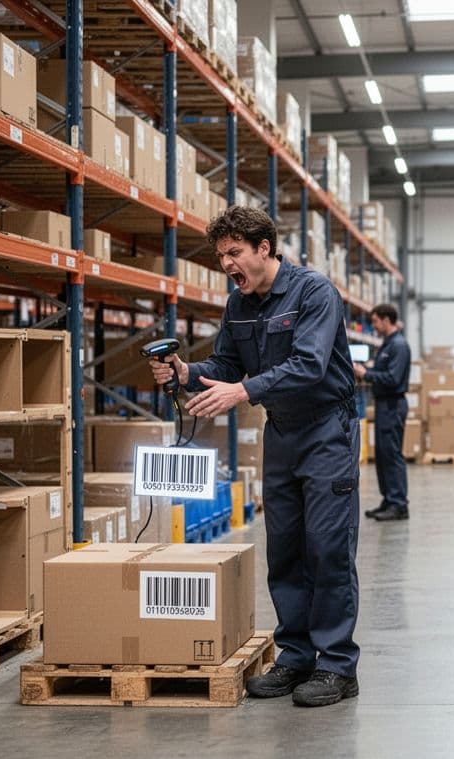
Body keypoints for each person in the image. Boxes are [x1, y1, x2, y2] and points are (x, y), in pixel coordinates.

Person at [148, 206, 361, 706]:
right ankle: (296, 656)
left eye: (235, 252)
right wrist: (185, 372)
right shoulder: (237, 304)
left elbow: (309, 365)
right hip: (281, 431)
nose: (227, 264)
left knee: (326, 547)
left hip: (327, 430)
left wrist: (242, 391)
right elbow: (226, 364)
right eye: (221, 255)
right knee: (284, 548)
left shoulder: (314, 293)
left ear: (264, 248)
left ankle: (337, 666)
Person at [354, 304, 411, 522]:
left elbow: (393, 378)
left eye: (376, 321)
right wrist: (366, 371)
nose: (374, 326)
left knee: (392, 454)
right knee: (383, 454)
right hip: (384, 405)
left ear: (387, 320)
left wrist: (366, 374)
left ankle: (399, 504)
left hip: (393, 405)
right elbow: (382, 372)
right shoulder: (388, 344)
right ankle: (389, 499)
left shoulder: (399, 345)